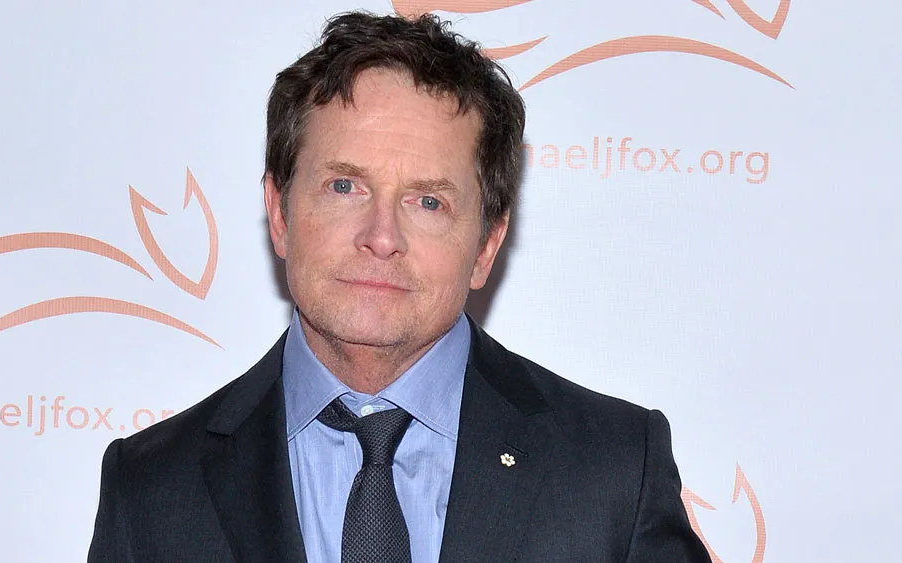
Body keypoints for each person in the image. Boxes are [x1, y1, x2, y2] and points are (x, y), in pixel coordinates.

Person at [88, 11, 711, 563]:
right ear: (279, 213)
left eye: (428, 200)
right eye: (344, 187)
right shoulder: (151, 486)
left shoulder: (614, 472)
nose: (381, 236)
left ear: (486, 245)